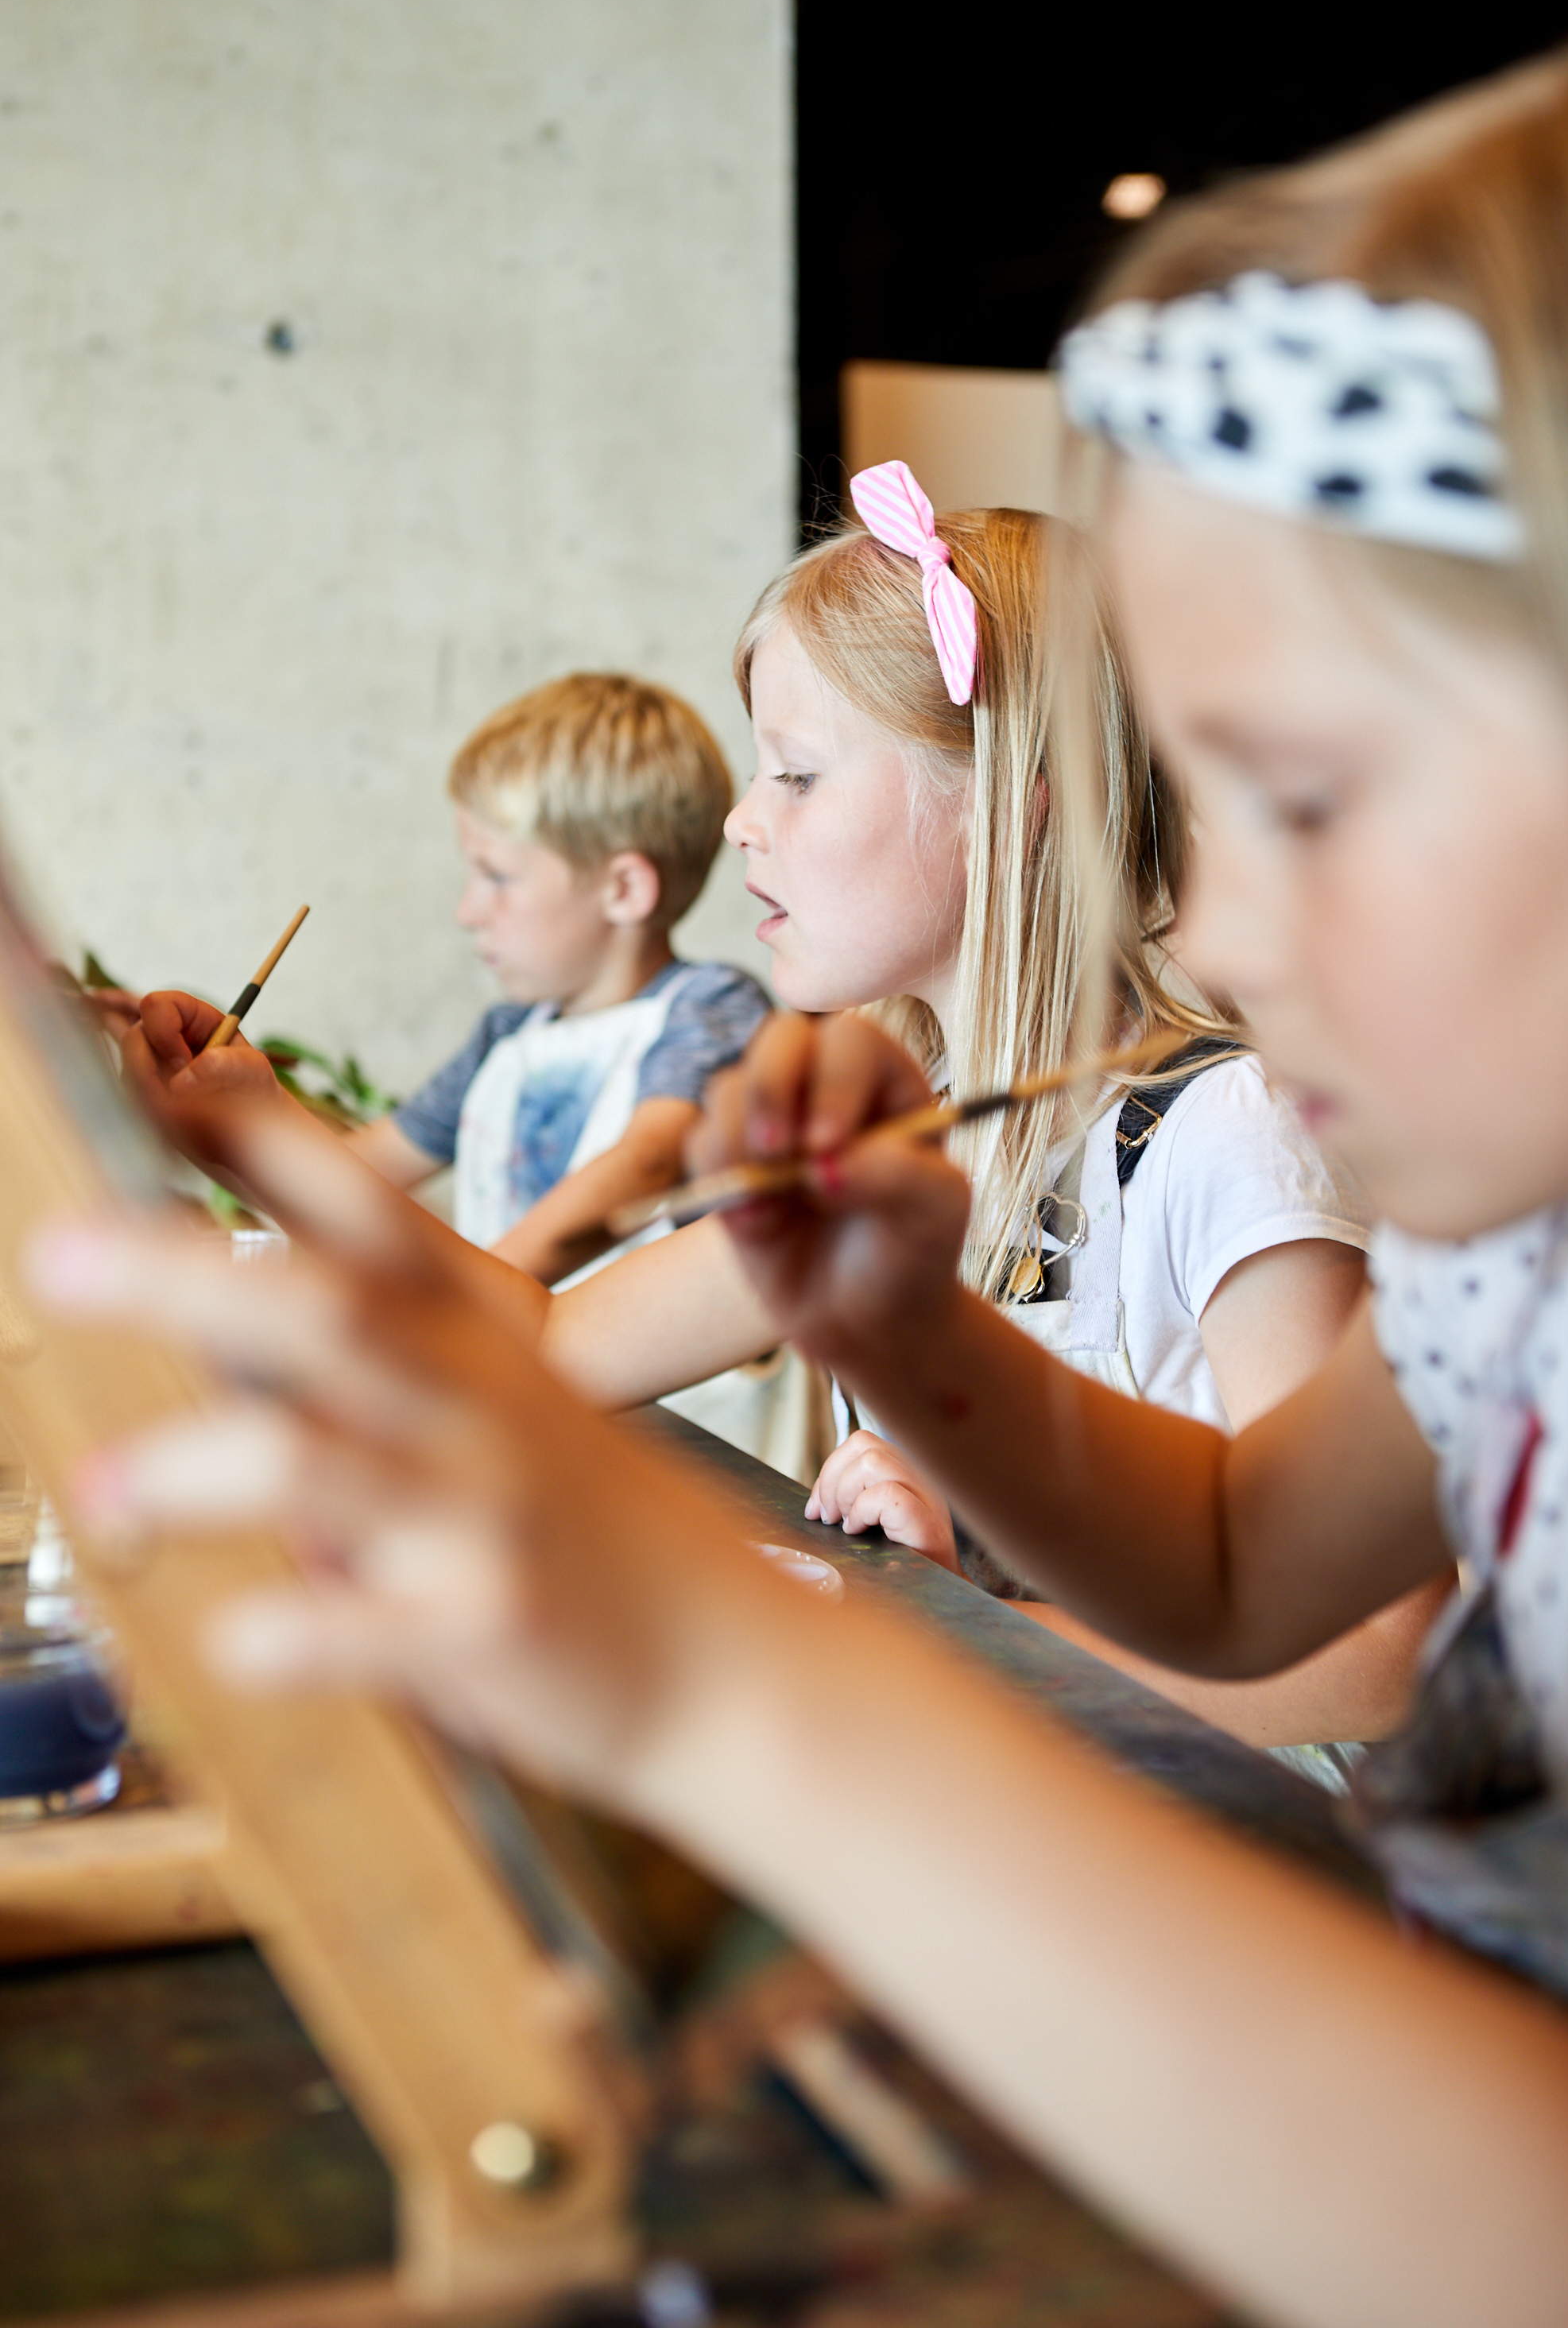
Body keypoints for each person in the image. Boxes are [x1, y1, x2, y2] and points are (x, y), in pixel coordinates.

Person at [43, 40, 1568, 2328]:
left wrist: (728, 1687)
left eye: (1316, 795)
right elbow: (1257, 1557)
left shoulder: (1255, 1139)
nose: (1232, 929)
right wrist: (916, 1337)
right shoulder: (1504, 1265)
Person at [122, 469, 1426, 1745]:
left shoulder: (1226, 1135)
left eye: (797, 776)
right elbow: (544, 1342)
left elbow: (1368, 1664)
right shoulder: (891, 1147)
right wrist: (256, 1126)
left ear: (1015, 813)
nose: (744, 824)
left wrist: (983, 1630)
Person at [347, 671, 769, 1286]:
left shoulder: (709, 1008)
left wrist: (478, 1306)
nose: (468, 911)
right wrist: (208, 1104)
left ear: (622, 889)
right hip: (509, 1364)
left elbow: (647, 1162)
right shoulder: (508, 1034)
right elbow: (354, 1176)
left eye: (497, 877)